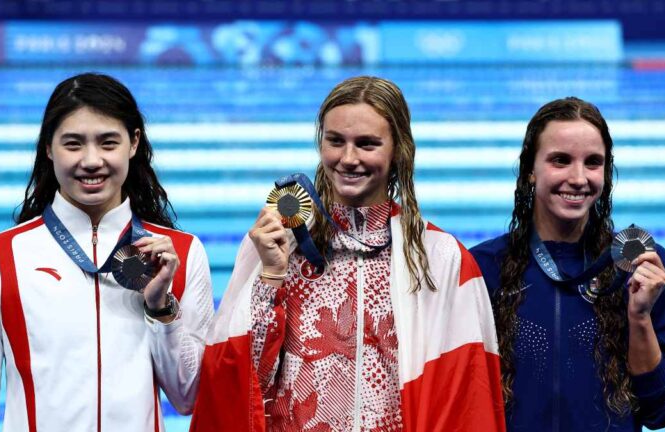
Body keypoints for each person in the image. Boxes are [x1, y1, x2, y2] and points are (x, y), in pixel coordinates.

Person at [190, 76, 505, 431]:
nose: (348, 159)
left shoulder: (438, 257)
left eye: (367, 144)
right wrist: (271, 276)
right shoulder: (277, 242)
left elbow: (464, 399)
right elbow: (241, 386)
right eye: (335, 141)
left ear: (399, 149)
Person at [0, 73, 213, 431]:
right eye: (73, 144)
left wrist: (161, 309)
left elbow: (190, 397)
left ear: (133, 144)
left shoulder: (180, 254)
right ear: (48, 148)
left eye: (107, 143)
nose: (91, 160)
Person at [470, 97, 665, 431]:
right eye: (560, 161)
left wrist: (640, 318)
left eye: (593, 162)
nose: (578, 178)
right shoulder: (483, 268)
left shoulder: (646, 267)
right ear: (530, 170)